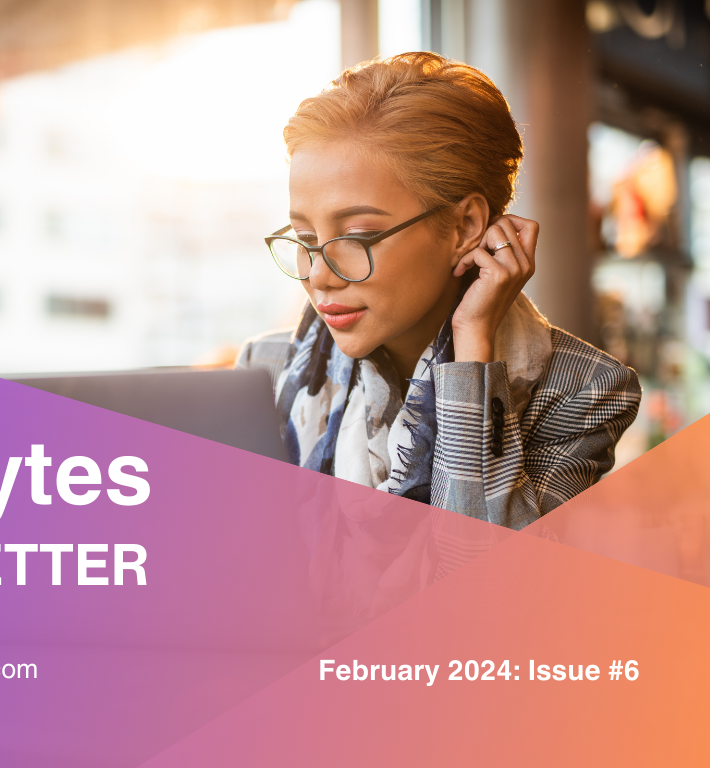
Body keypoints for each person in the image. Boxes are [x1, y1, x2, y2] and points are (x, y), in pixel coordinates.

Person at [236, 52, 641, 531]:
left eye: (358, 238)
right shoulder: (266, 370)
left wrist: (472, 352)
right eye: (305, 241)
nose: (319, 275)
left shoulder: (583, 391)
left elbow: (488, 590)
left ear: (465, 226)